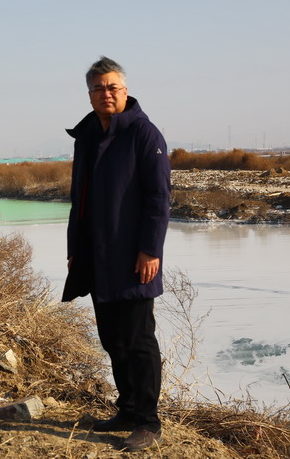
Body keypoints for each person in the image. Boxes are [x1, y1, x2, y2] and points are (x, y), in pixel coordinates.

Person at [63, 57, 171, 452]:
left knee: (138, 340)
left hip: (134, 257)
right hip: (97, 254)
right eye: (98, 88)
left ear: (124, 91)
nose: (106, 94)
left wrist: (149, 250)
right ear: (89, 94)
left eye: (113, 87)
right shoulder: (88, 136)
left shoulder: (143, 133)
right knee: (113, 339)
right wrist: (76, 249)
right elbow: (79, 200)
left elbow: (159, 198)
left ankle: (148, 422)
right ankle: (126, 410)